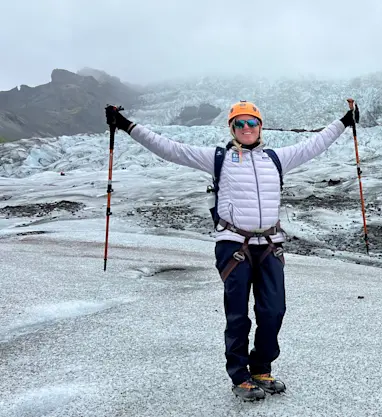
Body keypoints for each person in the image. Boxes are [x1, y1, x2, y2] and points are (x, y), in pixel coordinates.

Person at [104, 100, 359, 401]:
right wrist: (126, 125)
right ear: (232, 128)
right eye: (240, 123)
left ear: (260, 126)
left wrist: (345, 121)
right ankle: (240, 375)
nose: (246, 128)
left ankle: (261, 368)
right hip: (234, 246)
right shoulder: (219, 159)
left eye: (252, 122)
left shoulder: (275, 159)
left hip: (270, 246)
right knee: (237, 315)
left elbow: (315, 144)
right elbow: (169, 149)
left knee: (274, 311)